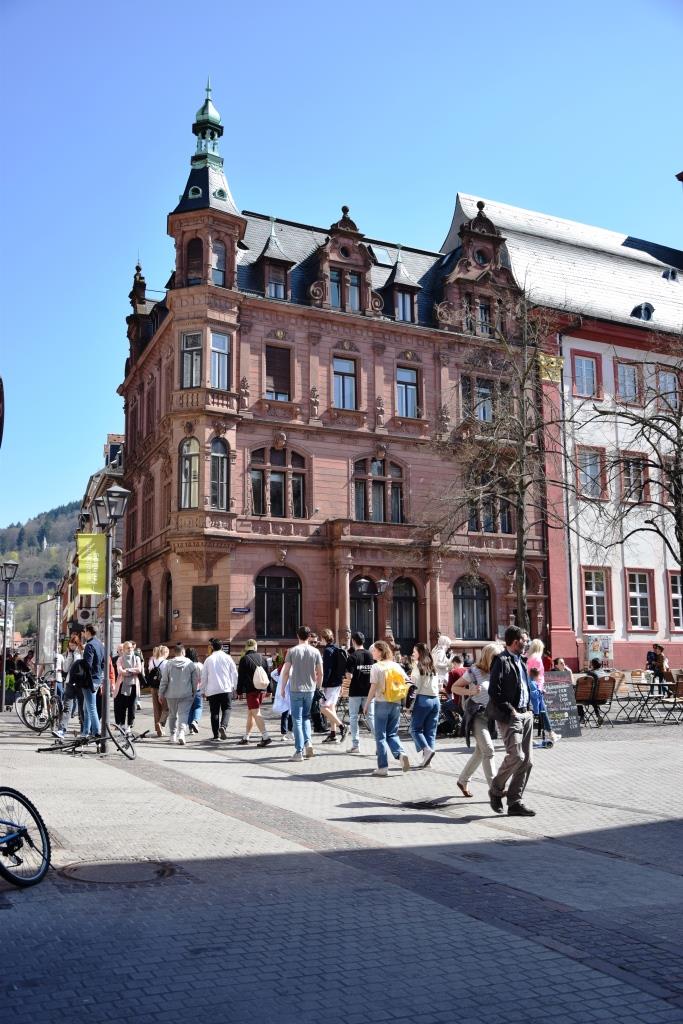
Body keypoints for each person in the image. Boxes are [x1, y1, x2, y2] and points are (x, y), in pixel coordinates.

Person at [487, 625, 535, 817]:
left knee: (527, 761)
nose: (527, 643)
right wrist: (511, 710)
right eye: (525, 640)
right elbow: (494, 691)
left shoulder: (521, 660)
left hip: (526, 714)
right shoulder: (501, 660)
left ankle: (515, 802)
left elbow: (525, 687)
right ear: (515, 641)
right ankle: (496, 790)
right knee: (517, 756)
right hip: (511, 716)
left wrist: (530, 709)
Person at [452, 642, 503, 797]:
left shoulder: (499, 670)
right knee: (488, 750)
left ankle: (463, 780)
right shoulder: (474, 671)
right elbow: (454, 687)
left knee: (480, 752)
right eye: (495, 657)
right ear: (487, 656)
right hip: (477, 715)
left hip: (492, 717)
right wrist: (471, 691)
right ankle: (495, 790)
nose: (498, 660)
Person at [364, 640, 411, 777]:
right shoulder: (396, 666)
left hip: (381, 702)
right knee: (392, 733)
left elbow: (373, 688)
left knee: (380, 736)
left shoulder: (376, 667)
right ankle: (400, 754)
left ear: (380, 652)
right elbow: (408, 682)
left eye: (374, 650)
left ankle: (383, 767)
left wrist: (367, 704)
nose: (372, 652)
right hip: (396, 702)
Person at [279, 626, 323, 762]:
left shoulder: (292, 651)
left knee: (296, 719)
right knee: (306, 718)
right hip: (310, 689)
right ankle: (308, 742)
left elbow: (285, 671)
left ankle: (299, 752)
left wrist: (282, 687)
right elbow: (320, 673)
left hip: (295, 689)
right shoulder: (315, 651)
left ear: (298, 636)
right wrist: (318, 687)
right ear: (309, 636)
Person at [159, 643, 200, 745]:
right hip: (186, 693)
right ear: (183, 652)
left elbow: (164, 680)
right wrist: (194, 691)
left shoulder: (168, 663)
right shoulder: (190, 663)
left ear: (175, 653)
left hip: (171, 694)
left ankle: (172, 735)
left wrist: (161, 693)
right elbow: (194, 680)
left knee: (173, 715)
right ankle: (181, 733)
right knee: (184, 714)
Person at [409, 643, 440, 768]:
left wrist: (409, 705)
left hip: (423, 700)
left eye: (414, 652)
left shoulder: (418, 667)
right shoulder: (433, 667)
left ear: (420, 653)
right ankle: (428, 761)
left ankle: (427, 751)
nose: (413, 654)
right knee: (430, 732)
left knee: (415, 729)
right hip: (436, 700)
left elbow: (415, 687)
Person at [237, 640, 272, 747]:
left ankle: (266, 737)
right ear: (255, 647)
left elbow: (241, 678)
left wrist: (239, 692)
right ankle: (246, 737)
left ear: (246, 648)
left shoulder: (244, 659)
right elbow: (268, 675)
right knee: (251, 713)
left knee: (256, 713)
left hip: (251, 691)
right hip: (261, 689)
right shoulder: (263, 659)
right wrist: (270, 690)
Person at [526, 638, 561, 744]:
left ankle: (550, 733)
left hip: (532, 687)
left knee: (540, 711)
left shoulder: (529, 658)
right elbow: (536, 675)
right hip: (537, 687)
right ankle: (550, 733)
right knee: (538, 712)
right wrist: (540, 688)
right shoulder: (537, 659)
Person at [201, 638, 237, 741]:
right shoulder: (228, 657)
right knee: (227, 709)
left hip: (212, 690)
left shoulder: (208, 659)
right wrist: (236, 687)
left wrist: (203, 691)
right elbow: (234, 673)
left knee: (214, 712)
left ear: (212, 647)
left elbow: (204, 677)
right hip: (226, 688)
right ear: (222, 647)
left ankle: (216, 735)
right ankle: (223, 726)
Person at [344, 632, 374, 753]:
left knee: (353, 718)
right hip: (368, 691)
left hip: (355, 691)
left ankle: (356, 745)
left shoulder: (352, 656)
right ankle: (380, 743)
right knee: (371, 717)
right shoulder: (370, 655)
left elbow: (349, 676)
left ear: (353, 641)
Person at [320, 628, 348, 744]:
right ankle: (333, 734)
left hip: (330, 684)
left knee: (322, 707)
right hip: (337, 682)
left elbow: (327, 670)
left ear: (323, 638)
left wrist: (322, 684)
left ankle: (342, 727)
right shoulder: (337, 648)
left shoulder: (327, 651)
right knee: (331, 708)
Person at [53, 635, 83, 738]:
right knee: (67, 707)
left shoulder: (81, 654)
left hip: (80, 684)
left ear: (77, 644)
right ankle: (61, 730)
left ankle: (84, 731)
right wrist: (69, 655)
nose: (71, 645)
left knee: (81, 708)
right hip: (70, 683)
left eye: (73, 644)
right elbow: (65, 669)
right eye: (70, 644)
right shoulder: (69, 653)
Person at [113, 640, 143, 733]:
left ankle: (129, 725)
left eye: (131, 647)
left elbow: (139, 670)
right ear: (124, 649)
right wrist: (131, 671)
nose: (130, 649)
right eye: (128, 648)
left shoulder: (137, 658)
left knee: (131, 706)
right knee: (122, 705)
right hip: (122, 684)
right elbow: (120, 671)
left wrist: (127, 670)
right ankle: (121, 724)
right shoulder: (120, 659)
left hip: (133, 684)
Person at [82, 625, 105, 738]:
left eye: (84, 631)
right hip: (97, 678)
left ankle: (96, 732)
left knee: (91, 707)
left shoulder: (89, 645)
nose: (83, 633)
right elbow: (103, 663)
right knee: (87, 707)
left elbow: (87, 664)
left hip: (89, 680)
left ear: (88, 632)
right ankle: (85, 732)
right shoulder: (100, 644)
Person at [147, 645, 169, 737]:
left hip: (153, 687)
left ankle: (158, 730)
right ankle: (160, 723)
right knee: (166, 708)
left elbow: (149, 672)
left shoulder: (152, 661)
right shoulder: (166, 662)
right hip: (163, 687)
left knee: (156, 708)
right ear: (165, 653)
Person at [186, 647, 204, 734]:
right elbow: (203, 679)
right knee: (198, 707)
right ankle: (195, 721)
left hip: (187, 690)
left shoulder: (186, 665)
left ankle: (190, 728)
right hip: (197, 689)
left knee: (189, 709)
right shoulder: (200, 665)